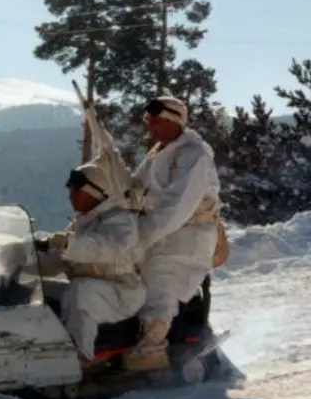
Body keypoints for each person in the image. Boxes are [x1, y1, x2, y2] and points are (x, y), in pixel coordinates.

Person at [121, 95, 223, 372]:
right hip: (165, 231)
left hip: (188, 235)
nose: (150, 127)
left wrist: (140, 236)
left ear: (173, 121)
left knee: (160, 277)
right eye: (148, 121)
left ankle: (152, 349)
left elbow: (176, 206)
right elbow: (134, 188)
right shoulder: (160, 152)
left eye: (156, 121)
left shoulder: (194, 155)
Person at [35, 163, 146, 373]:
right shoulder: (82, 223)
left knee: (81, 291)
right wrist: (24, 262)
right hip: (97, 290)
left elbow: (108, 248)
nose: (70, 196)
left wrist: (69, 244)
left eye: (75, 190)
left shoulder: (120, 220)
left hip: (121, 293)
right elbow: (58, 260)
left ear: (91, 191)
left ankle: (80, 360)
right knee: (36, 290)